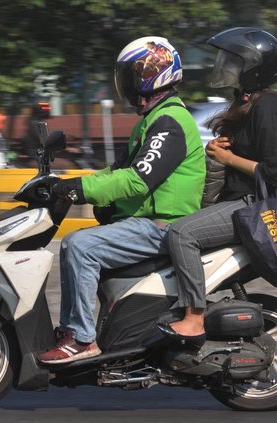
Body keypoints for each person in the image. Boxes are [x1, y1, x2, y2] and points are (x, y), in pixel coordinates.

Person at [37, 36, 206, 364]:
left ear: (151, 74)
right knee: (82, 243)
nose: (125, 84)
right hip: (146, 221)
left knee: (80, 246)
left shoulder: (170, 123)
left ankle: (82, 338)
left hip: (162, 225)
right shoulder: (154, 120)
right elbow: (117, 169)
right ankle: (82, 329)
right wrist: (69, 183)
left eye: (131, 75)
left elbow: (137, 179)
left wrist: (80, 191)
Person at [156, 27, 277, 347]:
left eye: (233, 60)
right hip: (237, 201)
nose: (225, 66)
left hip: (255, 205)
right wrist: (222, 149)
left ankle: (192, 318)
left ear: (253, 67)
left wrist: (229, 157)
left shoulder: (269, 106)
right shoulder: (246, 103)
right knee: (166, 227)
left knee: (182, 233)